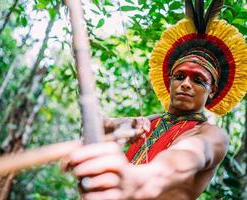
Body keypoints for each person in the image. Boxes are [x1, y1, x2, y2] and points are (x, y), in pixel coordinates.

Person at [65, 0, 247, 199]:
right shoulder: (149, 122)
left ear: (211, 90)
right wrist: (118, 127)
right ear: (169, 82)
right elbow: (93, 128)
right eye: (179, 76)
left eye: (198, 80)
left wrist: (133, 179)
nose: (185, 84)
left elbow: (190, 155)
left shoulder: (212, 135)